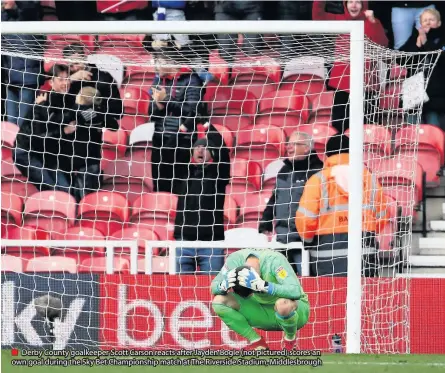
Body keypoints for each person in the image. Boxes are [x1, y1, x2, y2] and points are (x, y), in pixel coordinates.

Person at [295, 134, 389, 277]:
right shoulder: (369, 178)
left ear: (326, 155)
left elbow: (306, 219)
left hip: (326, 256)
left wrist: (308, 241)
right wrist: (368, 230)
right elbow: (382, 215)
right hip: (364, 253)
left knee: (330, 297)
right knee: (362, 297)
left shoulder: (318, 180)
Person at [211, 248, 310, 350]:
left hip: (295, 313)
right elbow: (213, 287)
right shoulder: (234, 260)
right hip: (260, 311)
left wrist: (264, 286)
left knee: (283, 304)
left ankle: (290, 339)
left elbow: (295, 291)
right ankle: (257, 342)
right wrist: (222, 285)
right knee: (219, 301)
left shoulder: (274, 260)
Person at [315, 0, 388, 133]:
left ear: (363, 5)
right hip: (342, 85)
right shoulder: (339, 20)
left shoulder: (371, 22)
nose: (354, 5)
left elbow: (381, 44)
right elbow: (318, 16)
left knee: (366, 128)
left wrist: (372, 21)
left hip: (366, 85)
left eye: (358, 2)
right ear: (345, 4)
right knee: (340, 126)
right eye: (350, 2)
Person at [259, 131, 323, 276]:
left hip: (307, 243)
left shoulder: (317, 171)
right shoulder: (284, 170)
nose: (289, 147)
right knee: (283, 282)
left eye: (294, 144)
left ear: (307, 148)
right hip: (283, 240)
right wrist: (266, 219)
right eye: (288, 144)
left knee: (308, 285)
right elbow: (275, 196)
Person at [175, 122, 230, 274]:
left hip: (211, 243)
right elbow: (170, 151)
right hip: (184, 241)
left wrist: (207, 125)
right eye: (197, 147)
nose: (200, 149)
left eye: (205, 147)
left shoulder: (219, 174)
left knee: (212, 291)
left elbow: (223, 150)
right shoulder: (183, 173)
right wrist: (183, 129)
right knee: (179, 290)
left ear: (212, 153)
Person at [150, 46, 204, 194]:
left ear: (170, 62)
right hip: (159, 139)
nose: (155, 65)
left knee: (180, 188)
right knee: (160, 188)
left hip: (183, 142)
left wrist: (167, 100)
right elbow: (150, 114)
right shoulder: (158, 82)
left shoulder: (192, 80)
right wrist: (158, 107)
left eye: (158, 61)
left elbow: (193, 112)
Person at [13, 64, 74, 194]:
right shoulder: (44, 103)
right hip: (27, 152)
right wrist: (64, 131)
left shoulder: (68, 100)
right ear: (51, 82)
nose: (66, 82)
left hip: (47, 152)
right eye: (61, 79)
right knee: (51, 189)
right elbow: (38, 137)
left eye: (68, 78)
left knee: (66, 191)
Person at [399, 8, 445, 132]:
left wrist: (426, 43)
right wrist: (416, 46)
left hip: (436, 98)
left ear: (439, 23)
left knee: (434, 131)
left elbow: (441, 59)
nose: (428, 22)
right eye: (425, 20)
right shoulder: (414, 38)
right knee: (411, 133)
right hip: (414, 96)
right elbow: (400, 60)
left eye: (431, 19)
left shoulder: (442, 39)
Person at [1, 0, 43, 126]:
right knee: (11, 124)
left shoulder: (30, 13)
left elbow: (29, 7)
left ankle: (22, 146)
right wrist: (6, 10)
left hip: (27, 78)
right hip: (9, 78)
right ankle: (14, 146)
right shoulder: (5, 17)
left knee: (23, 123)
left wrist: (15, 3)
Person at [62, 43, 123, 120]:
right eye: (71, 66)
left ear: (84, 59)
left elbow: (117, 111)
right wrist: (70, 80)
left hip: (97, 123)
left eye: (77, 63)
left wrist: (83, 115)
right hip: (72, 122)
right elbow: (60, 104)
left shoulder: (102, 78)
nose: (75, 68)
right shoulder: (68, 78)